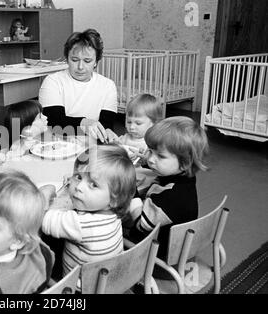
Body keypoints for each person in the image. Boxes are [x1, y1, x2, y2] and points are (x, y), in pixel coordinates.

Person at [41, 145, 136, 289]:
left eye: (93, 185)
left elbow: (42, 219)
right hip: (105, 282)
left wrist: (44, 193)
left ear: (114, 199)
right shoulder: (114, 213)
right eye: (78, 177)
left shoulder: (80, 224)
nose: (79, 187)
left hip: (78, 289)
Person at [126, 116, 209, 259]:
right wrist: (145, 160)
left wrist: (130, 188)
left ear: (185, 163)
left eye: (161, 156)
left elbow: (140, 224)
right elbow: (164, 168)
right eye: (150, 151)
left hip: (157, 258)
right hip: (170, 246)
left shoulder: (173, 197)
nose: (151, 159)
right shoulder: (183, 177)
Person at [38, 28, 118, 143]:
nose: (80, 67)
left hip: (91, 145)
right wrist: (83, 123)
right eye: (74, 60)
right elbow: (54, 122)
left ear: (96, 62)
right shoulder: (53, 81)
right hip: (58, 144)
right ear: (67, 59)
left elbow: (106, 125)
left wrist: (107, 132)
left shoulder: (108, 86)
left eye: (87, 61)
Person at [109, 93, 164, 164]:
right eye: (129, 122)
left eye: (138, 123)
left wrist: (144, 159)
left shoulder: (153, 143)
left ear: (153, 124)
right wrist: (115, 144)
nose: (131, 127)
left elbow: (157, 163)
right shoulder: (125, 138)